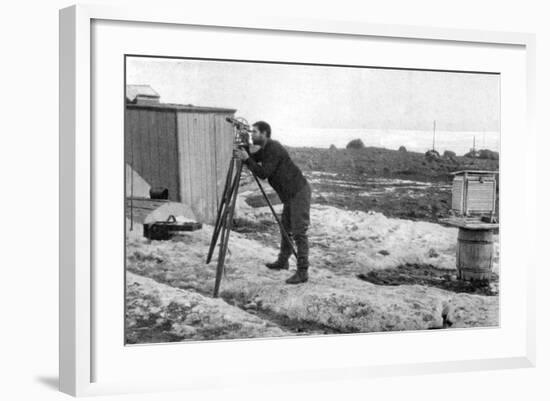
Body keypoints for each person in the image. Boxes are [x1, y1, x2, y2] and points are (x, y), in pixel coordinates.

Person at [233, 121, 311, 284]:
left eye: (255, 132)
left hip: (298, 192)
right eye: (251, 132)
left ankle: (302, 271)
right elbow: (254, 158)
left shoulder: (274, 148)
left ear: (265, 133)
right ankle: (283, 262)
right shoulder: (267, 148)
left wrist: (247, 159)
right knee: (285, 229)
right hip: (290, 195)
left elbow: (263, 173)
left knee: (298, 232)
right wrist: (244, 147)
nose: (252, 135)